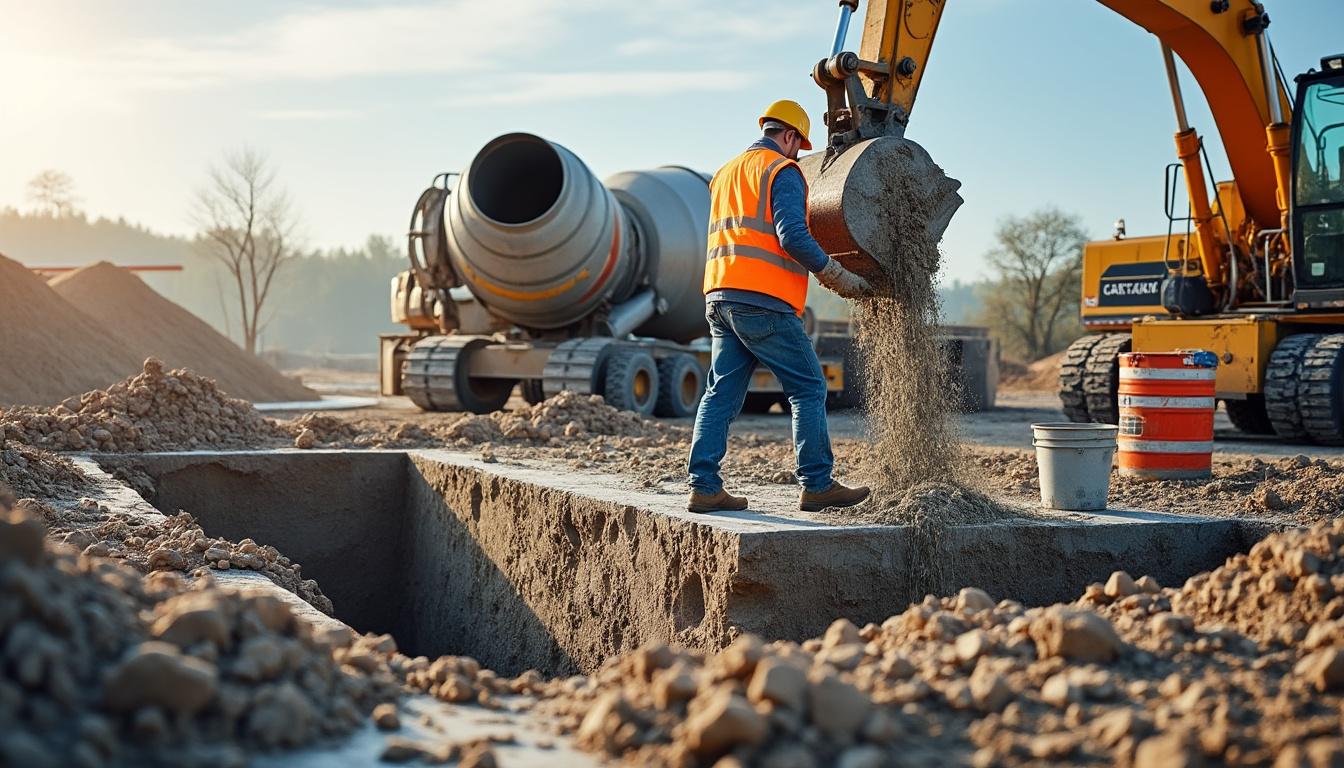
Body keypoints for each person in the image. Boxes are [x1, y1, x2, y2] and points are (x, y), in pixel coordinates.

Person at [687, 99, 874, 514]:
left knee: (719, 394)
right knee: (808, 387)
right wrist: (835, 275)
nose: (799, 155)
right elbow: (792, 236)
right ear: (789, 136)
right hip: (763, 301)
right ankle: (817, 483)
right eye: (799, 146)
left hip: (720, 296)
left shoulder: (725, 172)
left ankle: (703, 486)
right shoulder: (781, 171)